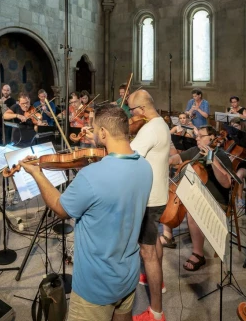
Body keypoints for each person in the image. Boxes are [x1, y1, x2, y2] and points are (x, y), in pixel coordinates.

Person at [19, 105, 152, 321]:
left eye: (94, 129)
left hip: (96, 284)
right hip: (128, 274)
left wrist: (37, 173)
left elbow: (61, 208)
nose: (93, 133)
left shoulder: (91, 175)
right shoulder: (145, 167)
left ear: (103, 133)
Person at [163, 126, 232, 271]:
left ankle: (198, 254)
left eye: (201, 136)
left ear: (212, 138)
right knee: (167, 196)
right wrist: (167, 161)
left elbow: (227, 184)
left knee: (192, 211)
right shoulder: (195, 150)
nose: (197, 138)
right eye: (197, 136)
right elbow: (178, 158)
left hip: (215, 200)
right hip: (195, 194)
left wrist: (212, 159)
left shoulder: (221, 155)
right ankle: (168, 236)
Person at [128, 89, 171, 321]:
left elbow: (128, 156)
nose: (131, 115)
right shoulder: (160, 123)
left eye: (132, 110)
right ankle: (157, 282)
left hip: (149, 199)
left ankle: (156, 313)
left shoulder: (150, 128)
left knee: (148, 252)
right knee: (154, 240)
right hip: (159, 194)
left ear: (142, 109)